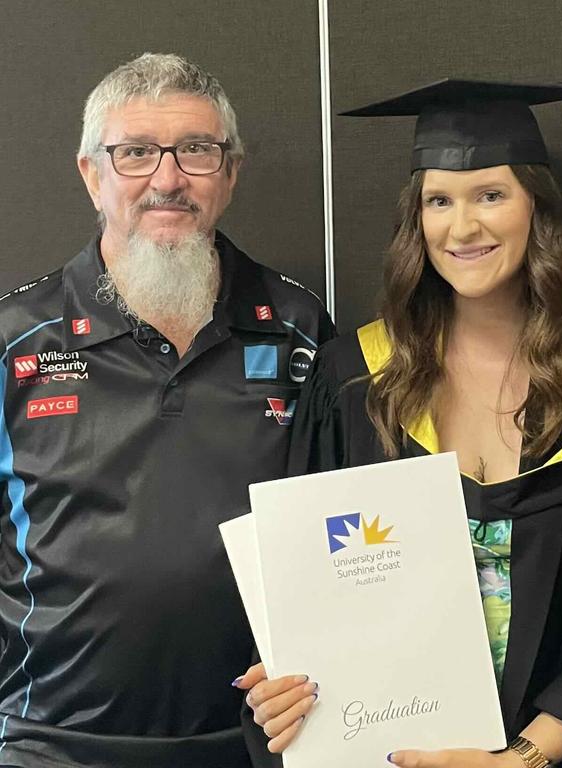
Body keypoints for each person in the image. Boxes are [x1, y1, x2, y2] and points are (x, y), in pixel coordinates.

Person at [236, 79, 562, 768]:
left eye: (491, 195)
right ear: (416, 220)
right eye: (439, 201)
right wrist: (281, 679)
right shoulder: (357, 379)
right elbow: (306, 590)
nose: (463, 228)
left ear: (537, 209)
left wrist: (520, 761)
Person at [0, 53, 334, 767]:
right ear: (92, 174)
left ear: (231, 172)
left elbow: (339, 529)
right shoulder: (13, 341)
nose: (168, 178)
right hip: (52, 743)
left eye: (196, 151)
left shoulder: (300, 328)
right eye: (136, 153)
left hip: (259, 739)